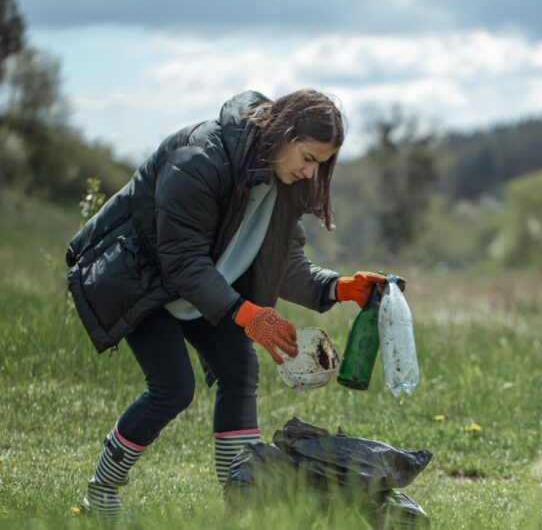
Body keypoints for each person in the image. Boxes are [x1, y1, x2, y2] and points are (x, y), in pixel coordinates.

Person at [65, 89, 403, 518]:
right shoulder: (198, 159)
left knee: (240, 370)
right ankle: (101, 495)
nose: (310, 171)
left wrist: (340, 287)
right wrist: (248, 314)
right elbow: (181, 261)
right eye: (308, 157)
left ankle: (240, 510)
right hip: (143, 280)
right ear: (284, 133)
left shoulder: (284, 181)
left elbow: (284, 265)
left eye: (321, 163)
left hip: (206, 289)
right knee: (173, 389)